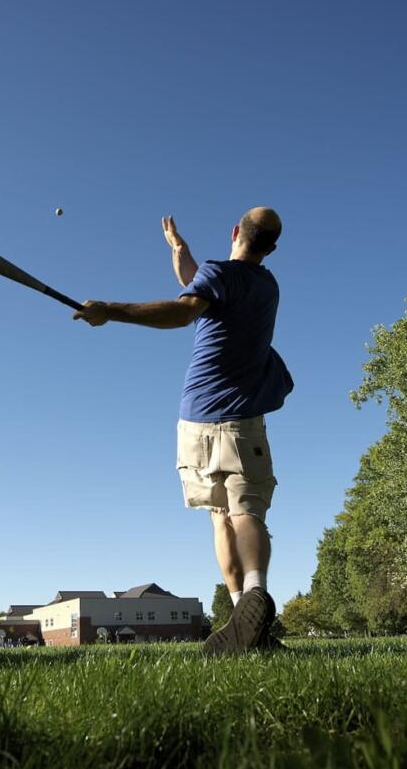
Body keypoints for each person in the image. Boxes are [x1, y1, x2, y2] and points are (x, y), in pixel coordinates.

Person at [73, 208, 293, 655]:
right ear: (271, 248)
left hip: (194, 418)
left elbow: (183, 309)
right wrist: (180, 251)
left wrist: (111, 310)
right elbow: (197, 286)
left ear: (234, 232)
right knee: (246, 509)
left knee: (220, 518)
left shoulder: (218, 276)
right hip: (240, 419)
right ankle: (255, 599)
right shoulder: (267, 286)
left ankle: (243, 611)